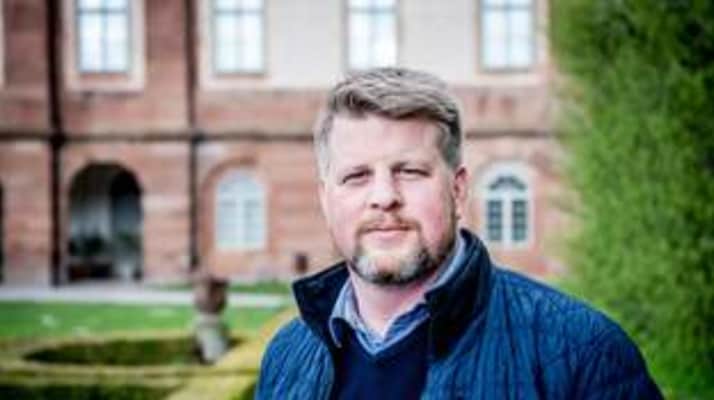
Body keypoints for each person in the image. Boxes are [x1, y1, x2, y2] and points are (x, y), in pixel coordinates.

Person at [255, 67, 662, 399]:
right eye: (357, 176)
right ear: (326, 199)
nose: (384, 197)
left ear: (458, 189)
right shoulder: (287, 357)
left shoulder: (582, 352)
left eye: (410, 171)